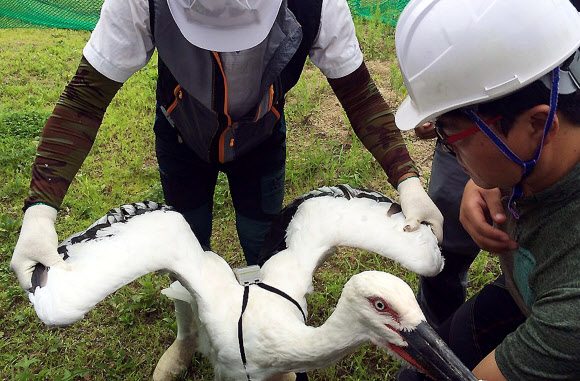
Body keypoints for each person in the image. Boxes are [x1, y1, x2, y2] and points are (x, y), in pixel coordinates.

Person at [9, 0, 443, 379]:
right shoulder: (143, 2)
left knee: (268, 248)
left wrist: (407, 179)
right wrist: (40, 211)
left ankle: (276, 345)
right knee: (185, 253)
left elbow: (359, 93)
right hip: (183, 139)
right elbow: (86, 98)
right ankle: (186, 337)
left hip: (260, 141)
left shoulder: (317, 4)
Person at [393, 0, 580, 380]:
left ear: (537, 124)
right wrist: (488, 178)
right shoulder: (544, 143)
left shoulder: (570, 303)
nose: (444, 145)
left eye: (451, 134)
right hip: (523, 295)